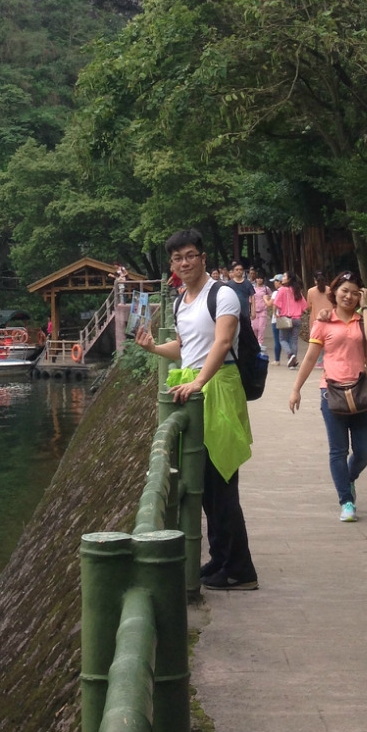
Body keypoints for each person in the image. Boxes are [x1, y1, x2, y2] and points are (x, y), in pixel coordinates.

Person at [136, 228, 258, 591]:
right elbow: (186, 347)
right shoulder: (181, 301)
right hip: (193, 389)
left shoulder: (223, 295)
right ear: (171, 264)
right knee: (203, 482)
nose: (184, 262)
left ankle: (240, 569)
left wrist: (199, 383)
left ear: (203, 257)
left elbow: (222, 342)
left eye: (190, 255)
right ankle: (220, 559)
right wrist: (155, 349)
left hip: (218, 389)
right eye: (177, 258)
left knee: (222, 482)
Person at [288, 271, 367, 522]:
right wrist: (296, 389)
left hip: (361, 391)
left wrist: (366, 306)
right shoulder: (323, 322)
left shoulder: (364, 319)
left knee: (365, 450)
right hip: (331, 392)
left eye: (354, 291)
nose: (348, 296)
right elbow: (309, 357)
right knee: (338, 450)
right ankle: (346, 501)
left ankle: (347, 479)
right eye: (344, 290)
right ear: (334, 292)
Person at [273, 271, 307, 368]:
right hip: (297, 319)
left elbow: (275, 303)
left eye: (284, 276)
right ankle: (293, 362)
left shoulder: (282, 290)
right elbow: (304, 306)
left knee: (282, 339)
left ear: (289, 279)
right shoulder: (297, 290)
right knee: (294, 340)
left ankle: (290, 355)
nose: (282, 278)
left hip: (286, 319)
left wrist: (275, 313)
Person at [250, 269, 273, 353]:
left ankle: (260, 343)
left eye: (261, 278)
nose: (259, 280)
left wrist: (267, 300)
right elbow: (250, 299)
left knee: (261, 327)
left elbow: (271, 296)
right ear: (255, 279)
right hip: (254, 310)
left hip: (263, 310)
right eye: (258, 278)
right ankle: (255, 342)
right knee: (254, 328)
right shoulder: (252, 288)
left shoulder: (266, 289)